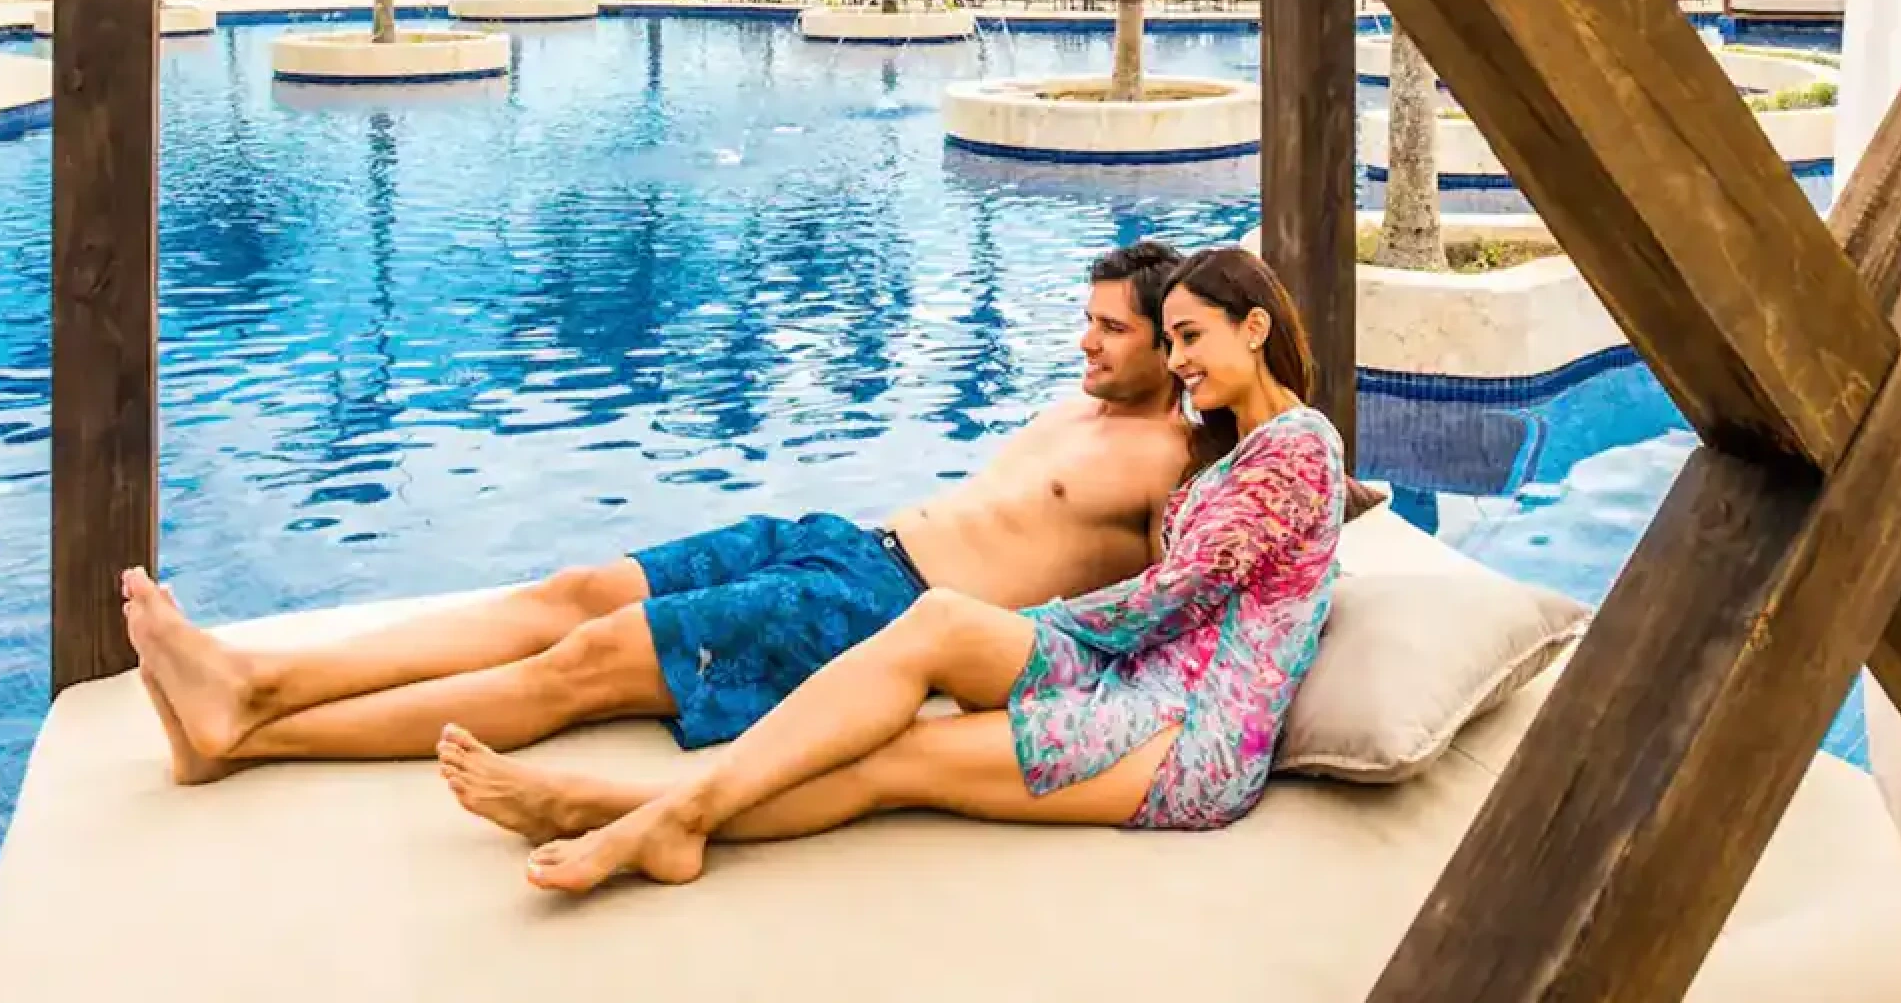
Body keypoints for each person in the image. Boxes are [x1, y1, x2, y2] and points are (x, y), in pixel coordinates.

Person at [436, 245, 1351, 892]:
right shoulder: (1241, 452)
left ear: (1256, 327)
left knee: (894, 762)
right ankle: (654, 816)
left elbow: (1175, 596)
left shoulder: (1299, 446)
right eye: (1176, 341)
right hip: (1133, 676)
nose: (1181, 361)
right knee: (943, 619)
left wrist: (1041, 626)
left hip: (1189, 733)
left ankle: (630, 814)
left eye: (1193, 338)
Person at [121, 241, 1200, 785]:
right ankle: (246, 693)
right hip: (839, 542)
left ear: (1174, 340)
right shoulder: (1077, 407)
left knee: (583, 665)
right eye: (1086, 321)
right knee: (572, 592)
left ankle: (253, 720)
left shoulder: (1174, 462)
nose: (1085, 343)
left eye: (1111, 331)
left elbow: (1174, 607)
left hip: (877, 615)